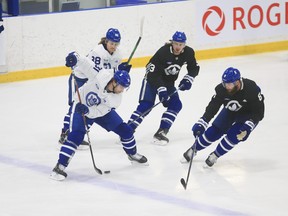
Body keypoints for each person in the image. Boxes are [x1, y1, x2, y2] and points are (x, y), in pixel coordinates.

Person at [50, 53, 147, 181]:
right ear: (114, 82)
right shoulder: (102, 75)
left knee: (126, 130)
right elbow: (85, 63)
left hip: (97, 111)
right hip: (80, 104)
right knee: (76, 136)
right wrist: (74, 58)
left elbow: (98, 112)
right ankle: (59, 167)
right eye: (121, 87)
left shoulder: (115, 100)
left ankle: (132, 154)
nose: (122, 90)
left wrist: (88, 111)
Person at [58, 28, 131, 149]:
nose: (114, 46)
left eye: (116, 44)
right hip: (80, 77)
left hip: (93, 80)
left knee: (90, 106)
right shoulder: (98, 52)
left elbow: (110, 77)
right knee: (76, 104)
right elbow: (97, 72)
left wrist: (120, 71)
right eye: (111, 43)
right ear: (106, 41)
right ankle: (65, 133)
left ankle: (80, 131)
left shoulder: (118, 54)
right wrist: (116, 70)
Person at [181, 67, 265, 167]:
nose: (227, 87)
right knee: (214, 131)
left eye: (230, 84)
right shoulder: (221, 89)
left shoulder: (251, 88)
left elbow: (259, 111)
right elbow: (213, 106)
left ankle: (215, 155)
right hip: (230, 111)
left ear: (238, 82)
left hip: (248, 115)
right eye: (225, 84)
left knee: (235, 135)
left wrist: (249, 125)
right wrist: (203, 121)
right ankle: (193, 149)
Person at [128, 31, 200, 145]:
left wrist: (188, 79)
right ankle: (128, 129)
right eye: (176, 43)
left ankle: (161, 132)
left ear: (184, 45)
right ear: (172, 43)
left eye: (180, 44)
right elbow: (152, 72)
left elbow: (194, 68)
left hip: (168, 82)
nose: (178, 47)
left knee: (176, 105)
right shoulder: (163, 52)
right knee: (146, 105)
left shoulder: (189, 52)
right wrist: (161, 89)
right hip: (152, 80)